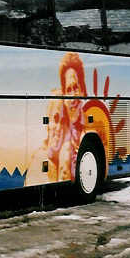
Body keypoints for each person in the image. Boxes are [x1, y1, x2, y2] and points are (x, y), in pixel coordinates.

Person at [46, 52, 87, 181]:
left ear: (82, 90)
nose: (73, 96)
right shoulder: (62, 143)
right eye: (68, 90)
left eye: (76, 88)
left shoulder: (87, 128)